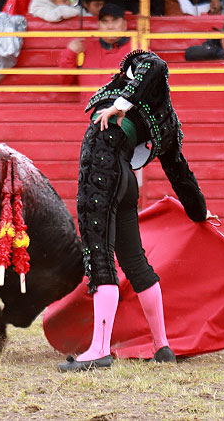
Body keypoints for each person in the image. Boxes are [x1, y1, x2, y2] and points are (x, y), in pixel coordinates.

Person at [57, 49, 213, 372]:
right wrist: (200, 212)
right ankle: (162, 346)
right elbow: (181, 175)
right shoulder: (168, 126)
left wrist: (120, 104)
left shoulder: (143, 73)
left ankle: (99, 350)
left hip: (101, 168)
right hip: (127, 179)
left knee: (100, 254)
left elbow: (155, 64)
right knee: (135, 261)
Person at [59, 3, 131, 104]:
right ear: (98, 25)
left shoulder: (137, 47)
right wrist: (70, 53)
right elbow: (65, 81)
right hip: (89, 112)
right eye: (105, 22)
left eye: (114, 21)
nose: (110, 26)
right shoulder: (85, 47)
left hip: (121, 114)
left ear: (124, 25)